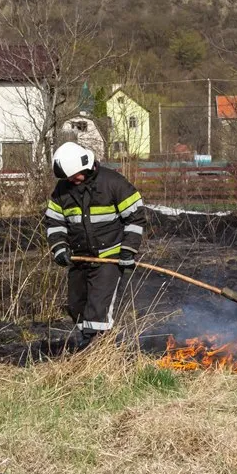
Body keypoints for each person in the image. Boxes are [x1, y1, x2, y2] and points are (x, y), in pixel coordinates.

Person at [44, 142, 146, 346]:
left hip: (110, 255)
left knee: (98, 306)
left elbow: (136, 218)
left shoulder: (113, 183)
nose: (72, 181)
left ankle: (98, 348)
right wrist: (59, 248)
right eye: (68, 178)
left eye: (74, 176)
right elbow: (54, 222)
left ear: (86, 166)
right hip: (79, 256)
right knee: (76, 305)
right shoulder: (62, 190)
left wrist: (127, 250)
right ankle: (89, 342)